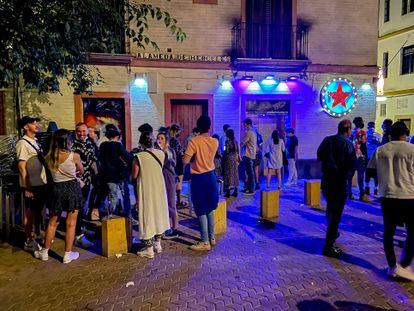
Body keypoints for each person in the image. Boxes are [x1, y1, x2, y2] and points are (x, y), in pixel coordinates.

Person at [368, 121, 414, 281]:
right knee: (412, 233)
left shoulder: (380, 150)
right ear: (406, 134)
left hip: (387, 195)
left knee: (389, 232)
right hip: (409, 195)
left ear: (389, 134)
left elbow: (371, 172)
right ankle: (404, 264)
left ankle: (392, 266)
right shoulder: (411, 149)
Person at [34, 129, 84, 263]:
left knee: (52, 222)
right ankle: (67, 254)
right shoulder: (74, 156)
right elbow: (81, 170)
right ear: (67, 141)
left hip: (56, 189)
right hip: (72, 189)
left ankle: (44, 251)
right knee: (70, 223)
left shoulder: (48, 156)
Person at [317, 120, 356, 257]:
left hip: (327, 182)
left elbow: (319, 156)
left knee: (330, 208)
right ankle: (329, 244)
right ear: (348, 130)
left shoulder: (327, 140)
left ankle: (332, 232)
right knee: (336, 214)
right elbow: (352, 166)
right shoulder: (348, 145)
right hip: (340, 183)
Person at [183, 116, 219, 251]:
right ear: (209, 126)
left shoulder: (194, 141)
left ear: (198, 126)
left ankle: (204, 241)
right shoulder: (215, 141)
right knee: (210, 206)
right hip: (211, 176)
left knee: (200, 208)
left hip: (198, 177)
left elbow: (186, 160)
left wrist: (188, 156)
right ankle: (212, 237)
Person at [132, 132, 170, 258]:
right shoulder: (161, 154)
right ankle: (158, 244)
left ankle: (149, 249)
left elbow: (134, 175)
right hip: (159, 188)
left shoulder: (138, 156)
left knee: (147, 215)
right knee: (158, 214)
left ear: (141, 143)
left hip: (146, 189)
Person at [16, 116, 47, 252]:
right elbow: (22, 166)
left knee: (38, 211)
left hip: (40, 183)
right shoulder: (22, 143)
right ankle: (28, 240)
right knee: (30, 212)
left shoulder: (34, 141)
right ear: (25, 127)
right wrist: (27, 186)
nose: (36, 125)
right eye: (33, 123)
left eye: (36, 122)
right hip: (32, 184)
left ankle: (37, 234)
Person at [71, 122, 96, 248]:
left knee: (83, 206)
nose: (81, 133)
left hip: (88, 180)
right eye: (78, 131)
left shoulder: (90, 142)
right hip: (78, 181)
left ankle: (81, 228)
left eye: (83, 131)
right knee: (79, 207)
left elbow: (93, 160)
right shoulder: (73, 145)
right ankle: (78, 235)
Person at [99, 124, 132, 216]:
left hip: (106, 174)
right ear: (117, 137)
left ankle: (109, 215)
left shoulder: (103, 145)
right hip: (117, 174)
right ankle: (120, 216)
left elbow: (100, 158)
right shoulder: (118, 145)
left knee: (111, 195)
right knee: (122, 195)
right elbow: (126, 156)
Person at [156, 132, 179, 239]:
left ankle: (175, 228)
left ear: (166, 141)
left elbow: (174, 164)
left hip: (169, 178)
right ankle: (164, 227)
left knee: (171, 203)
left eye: (162, 138)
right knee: (162, 204)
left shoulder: (170, 151)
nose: (159, 140)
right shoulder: (156, 151)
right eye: (158, 138)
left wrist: (167, 155)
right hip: (159, 178)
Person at [347, 117, 372, 203]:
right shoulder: (362, 132)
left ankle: (349, 193)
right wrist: (366, 156)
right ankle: (362, 195)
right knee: (360, 177)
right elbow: (363, 145)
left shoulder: (351, 133)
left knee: (349, 176)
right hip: (360, 157)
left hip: (350, 157)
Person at [168, 124, 187, 208]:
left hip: (172, 162)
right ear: (175, 131)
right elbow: (179, 152)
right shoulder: (174, 140)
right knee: (179, 181)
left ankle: (173, 200)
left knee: (173, 182)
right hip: (178, 162)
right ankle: (178, 200)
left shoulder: (167, 139)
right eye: (178, 132)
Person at [240, 118, 257, 195]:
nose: (243, 125)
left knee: (250, 173)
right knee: (249, 173)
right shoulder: (253, 132)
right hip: (251, 155)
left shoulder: (249, 132)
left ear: (247, 124)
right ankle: (247, 188)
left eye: (244, 123)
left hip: (248, 155)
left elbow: (243, 142)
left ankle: (251, 189)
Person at [365, 122, 381, 196]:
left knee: (367, 173)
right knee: (376, 174)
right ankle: (376, 189)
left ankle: (367, 188)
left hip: (368, 156)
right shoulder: (378, 135)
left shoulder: (365, 134)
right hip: (375, 156)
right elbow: (380, 145)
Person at [223, 129, 240, 198]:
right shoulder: (235, 141)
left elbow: (226, 151)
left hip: (229, 159)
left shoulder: (227, 141)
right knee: (235, 174)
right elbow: (238, 150)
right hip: (235, 159)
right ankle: (236, 191)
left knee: (228, 174)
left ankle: (228, 191)